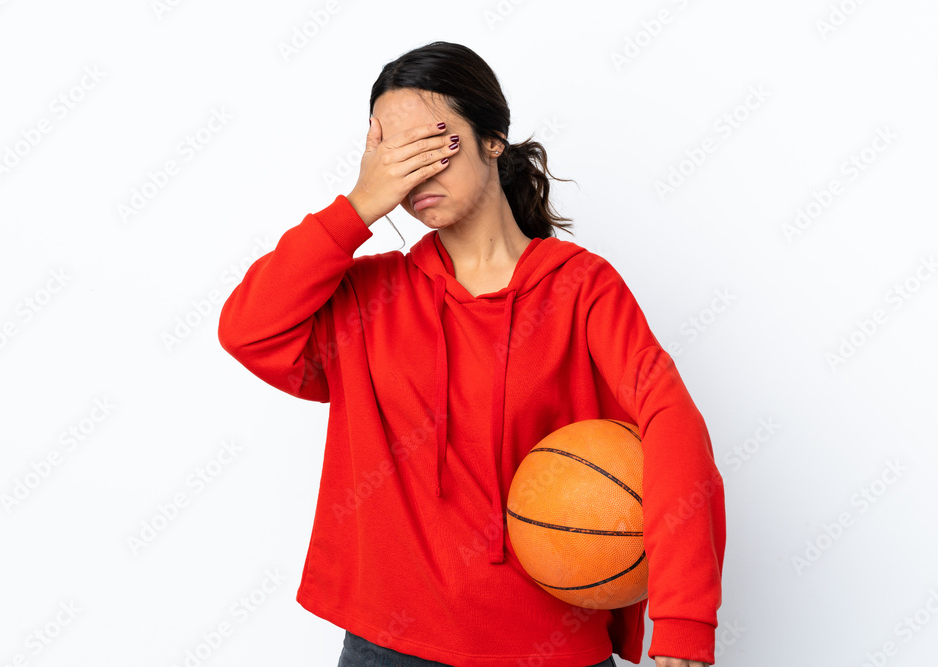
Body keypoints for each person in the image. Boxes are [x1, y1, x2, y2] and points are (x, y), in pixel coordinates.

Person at [217, 41, 725, 667]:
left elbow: (673, 427)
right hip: (388, 646)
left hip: (550, 650)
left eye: (436, 145)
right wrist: (357, 207)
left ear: (493, 140)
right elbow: (248, 331)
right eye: (395, 156)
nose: (416, 173)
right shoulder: (368, 298)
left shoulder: (580, 287)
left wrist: (684, 624)